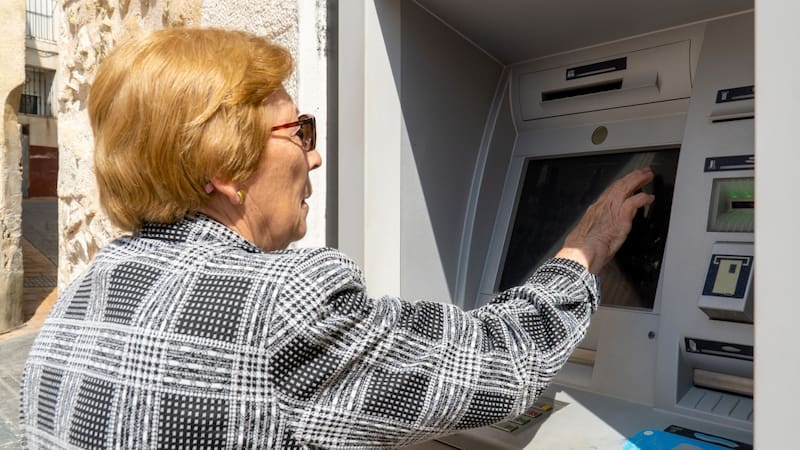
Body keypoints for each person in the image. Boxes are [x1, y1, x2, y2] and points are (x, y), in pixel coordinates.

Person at [19, 28, 654, 449]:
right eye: (298, 131)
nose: (313, 158)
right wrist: (586, 247)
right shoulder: (280, 303)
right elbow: (500, 363)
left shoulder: (89, 289)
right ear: (224, 169)